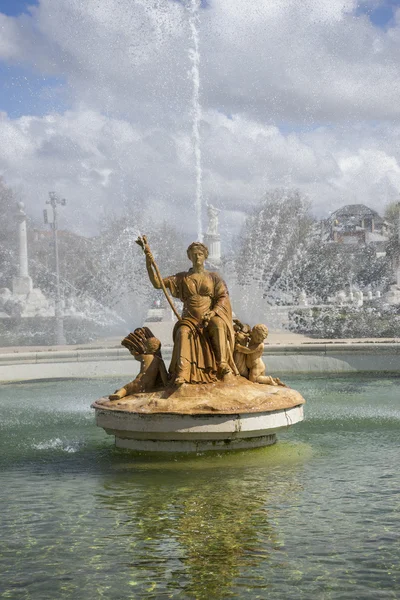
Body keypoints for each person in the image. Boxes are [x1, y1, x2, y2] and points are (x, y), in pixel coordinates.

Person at [145, 242, 238, 384]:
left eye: (200, 254)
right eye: (193, 254)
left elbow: (223, 296)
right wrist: (148, 262)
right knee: (182, 332)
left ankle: (222, 364)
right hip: (189, 318)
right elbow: (158, 283)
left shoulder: (214, 277)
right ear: (189, 257)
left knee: (218, 325)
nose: (197, 257)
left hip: (209, 316)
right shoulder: (182, 277)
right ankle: (182, 372)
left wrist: (213, 312)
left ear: (205, 256)